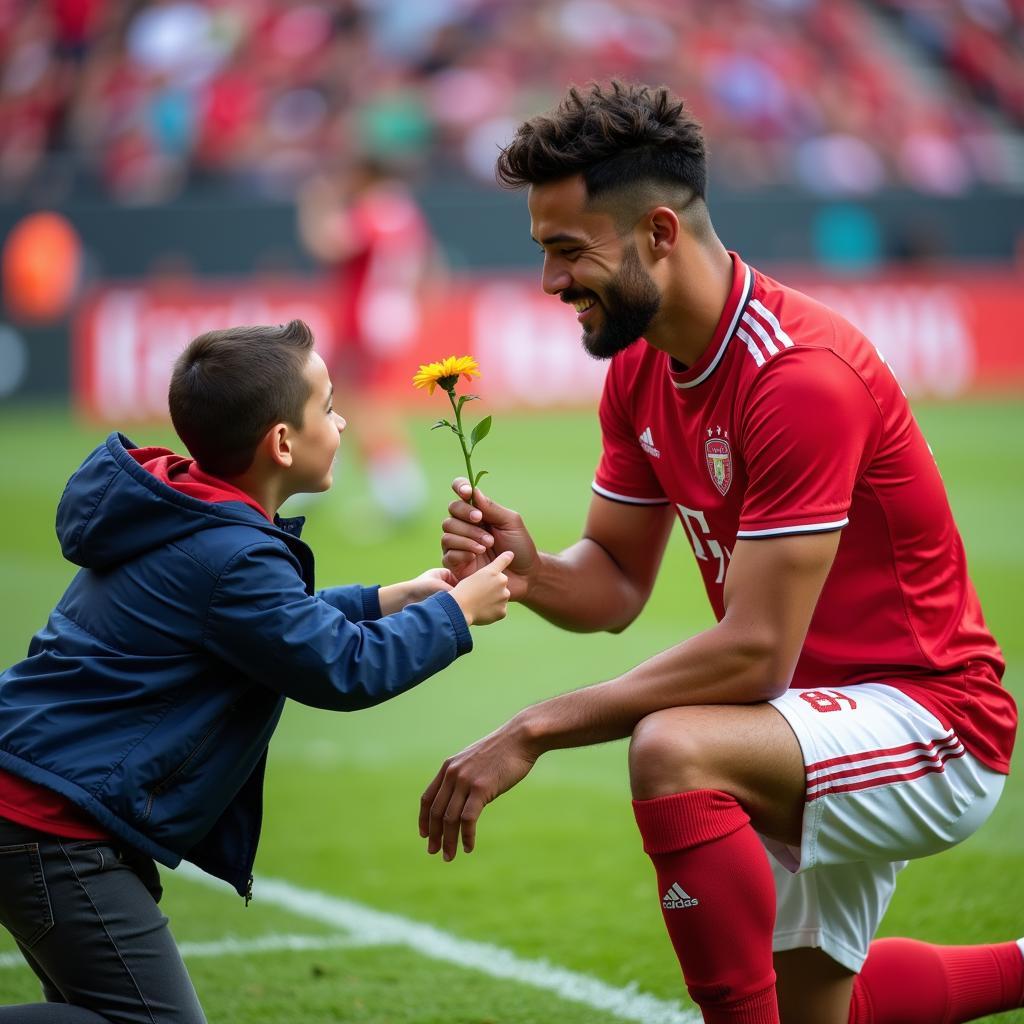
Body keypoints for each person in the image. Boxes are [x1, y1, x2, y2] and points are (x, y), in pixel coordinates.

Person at [423, 82, 1022, 1024]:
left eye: (567, 251)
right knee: (820, 1010)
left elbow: (753, 651)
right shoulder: (640, 364)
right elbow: (616, 581)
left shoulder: (799, 379)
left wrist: (534, 727)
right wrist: (532, 572)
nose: (549, 283)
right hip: (799, 724)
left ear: (659, 232)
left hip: (933, 722)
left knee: (676, 749)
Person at [0, 319, 513, 1023]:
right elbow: (339, 667)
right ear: (281, 443)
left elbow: (269, 627)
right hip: (49, 822)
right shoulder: (232, 553)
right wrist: (456, 614)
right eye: (329, 407)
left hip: (38, 802)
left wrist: (391, 598)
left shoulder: (192, 513)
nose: (343, 420)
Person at [297, 157, 439, 525]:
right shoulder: (404, 211)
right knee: (338, 399)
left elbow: (329, 246)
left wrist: (316, 203)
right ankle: (316, 483)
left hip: (367, 316)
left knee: (365, 404)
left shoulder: (375, 209)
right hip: (391, 311)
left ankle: (400, 496)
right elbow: (428, 263)